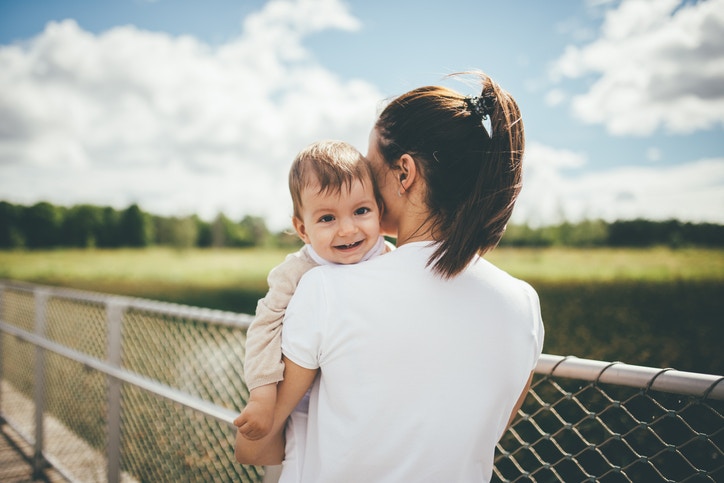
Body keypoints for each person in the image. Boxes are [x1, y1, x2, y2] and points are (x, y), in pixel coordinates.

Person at [235, 71, 545, 483]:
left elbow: (255, 445)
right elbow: (481, 435)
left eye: (368, 164)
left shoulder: (326, 288)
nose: (360, 179)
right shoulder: (523, 303)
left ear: (404, 172)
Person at [235, 140, 393, 466]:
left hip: (362, 394)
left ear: (379, 208)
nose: (347, 229)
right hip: (302, 397)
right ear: (302, 229)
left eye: (361, 211)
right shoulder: (297, 271)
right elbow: (265, 325)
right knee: (296, 457)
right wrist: (262, 394)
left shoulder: (390, 258)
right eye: (326, 219)